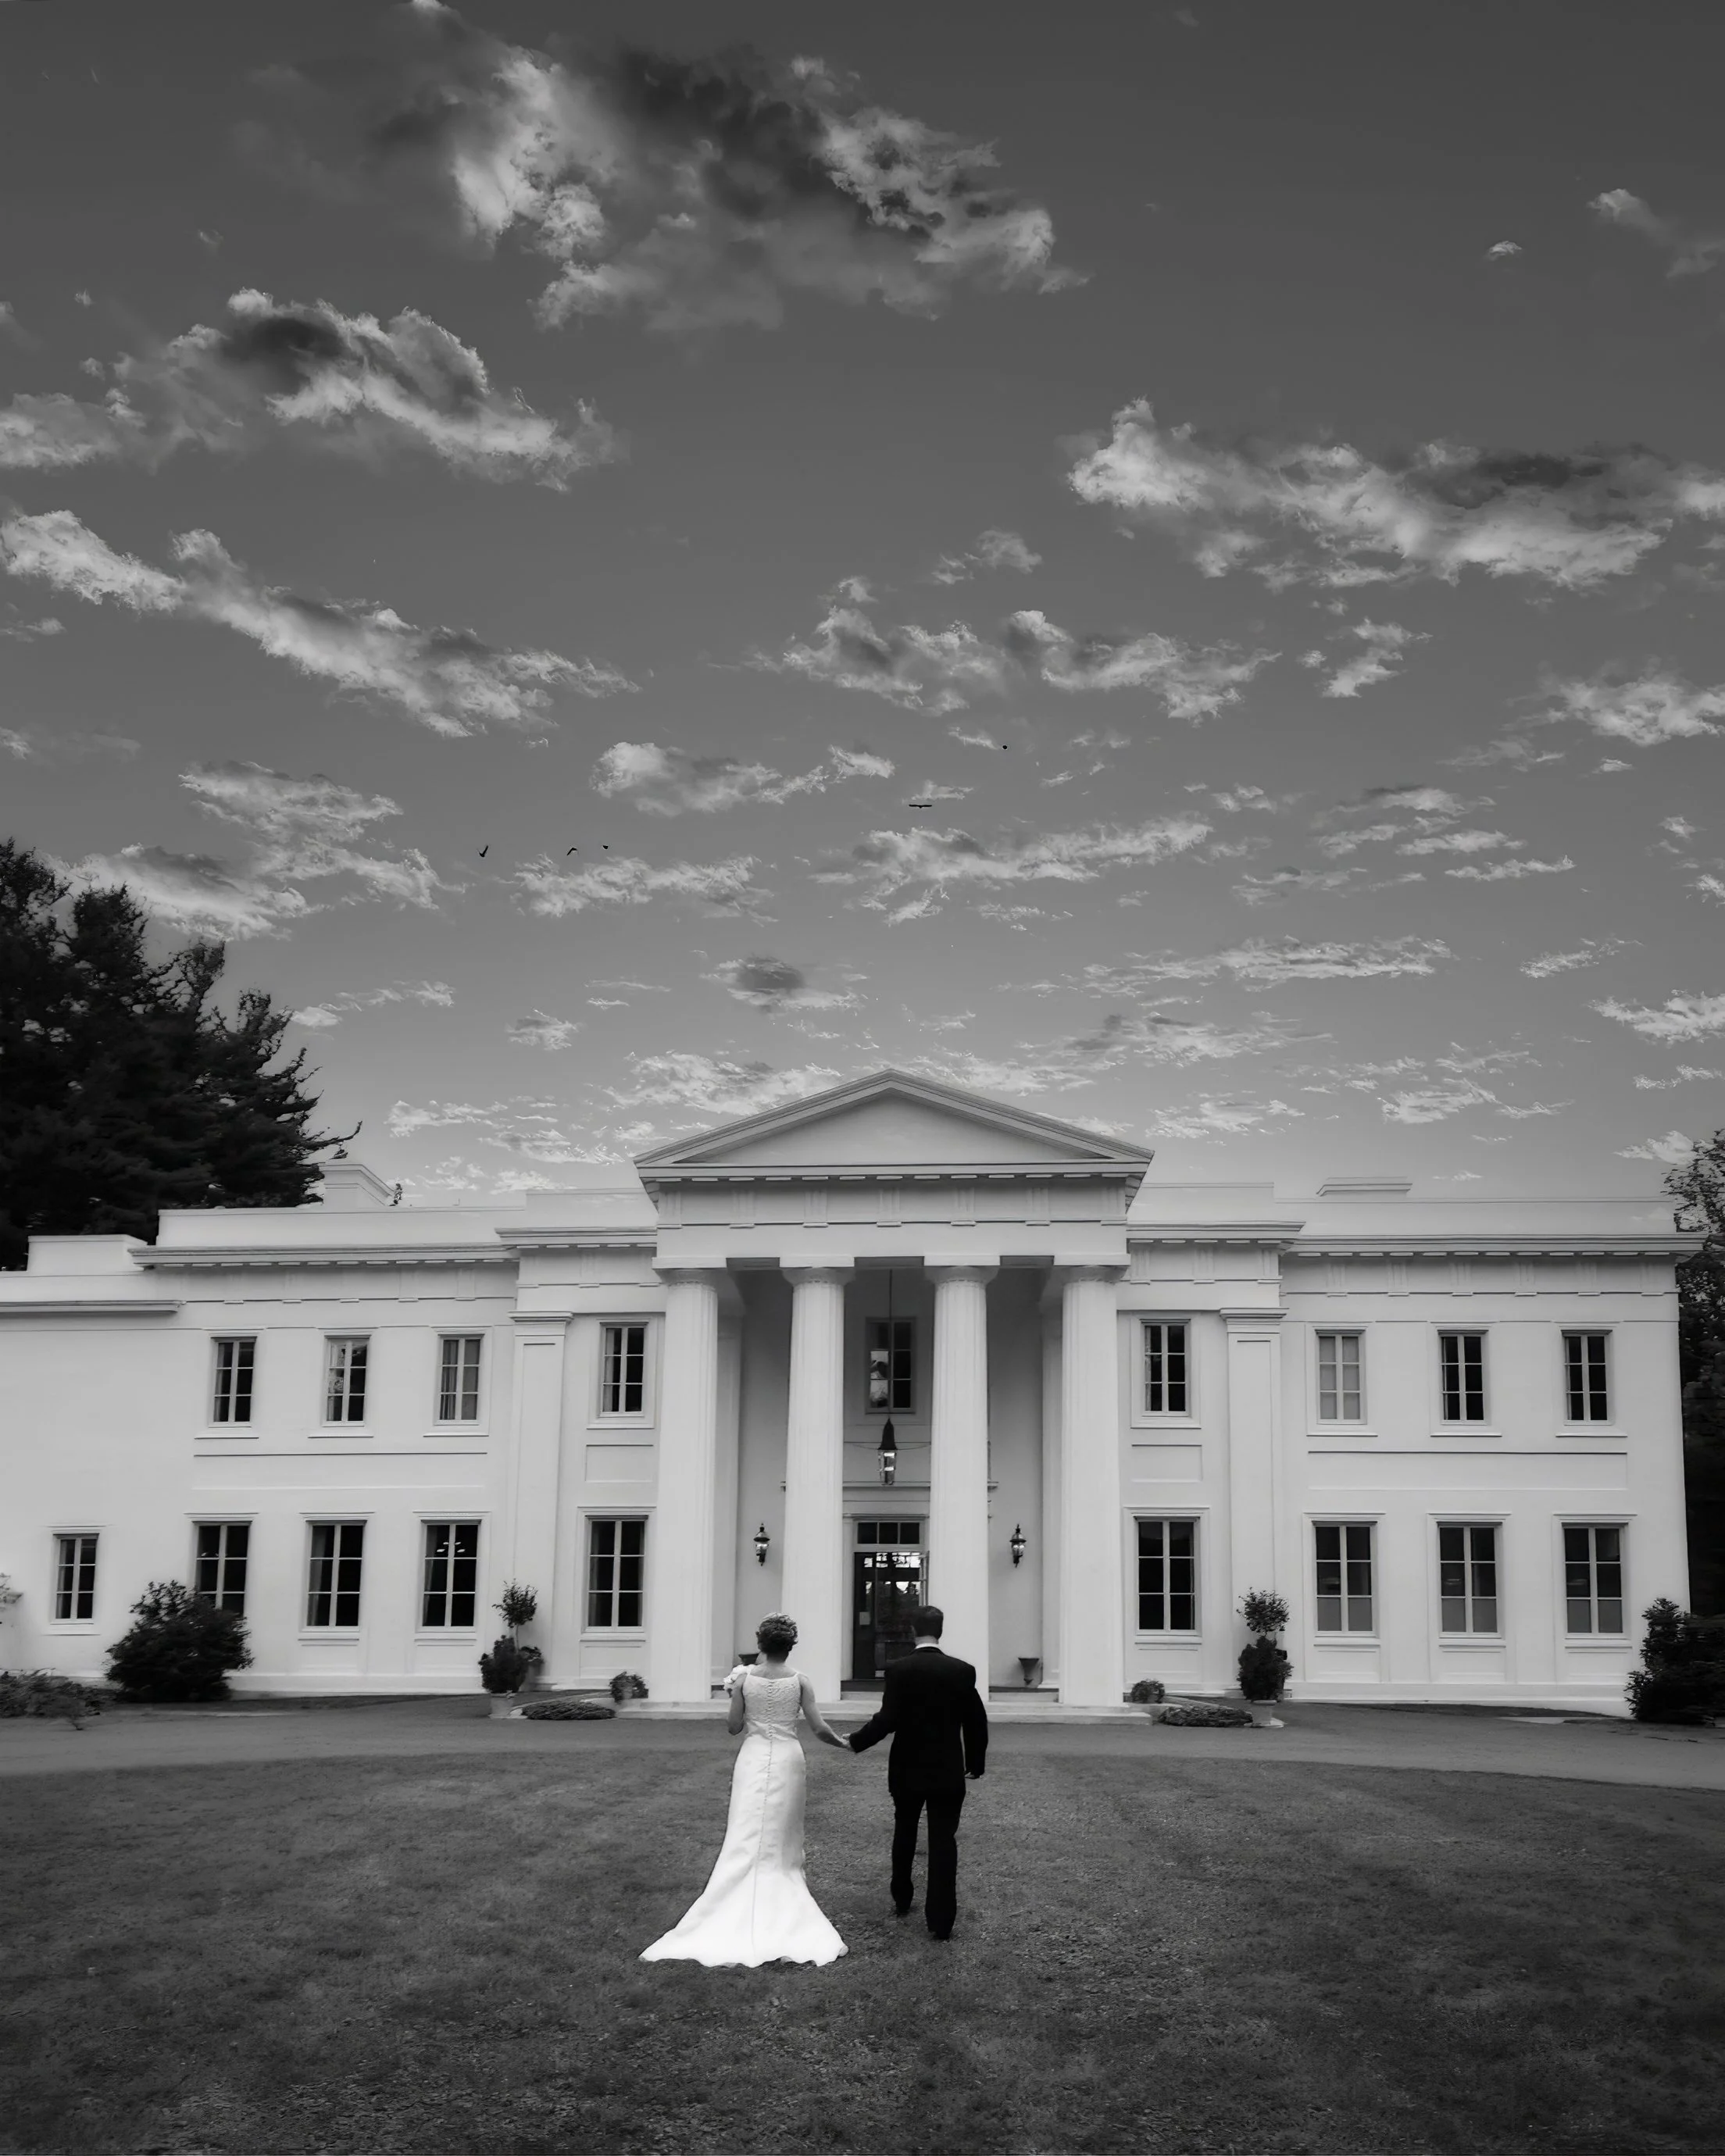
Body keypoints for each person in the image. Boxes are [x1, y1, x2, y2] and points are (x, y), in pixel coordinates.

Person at [641, 1611, 850, 1968]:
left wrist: (734, 1695)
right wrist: (845, 1743)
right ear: (791, 1647)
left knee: (746, 1828)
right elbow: (817, 1729)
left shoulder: (744, 1680)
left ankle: (732, 1894)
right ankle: (782, 1895)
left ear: (760, 1644)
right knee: (783, 1833)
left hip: (753, 1758)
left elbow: (734, 1727)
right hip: (787, 1758)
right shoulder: (801, 1682)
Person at [845, 1604, 988, 1941]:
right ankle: (941, 1920)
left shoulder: (899, 1670)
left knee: (905, 1830)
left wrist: (856, 1741)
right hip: (947, 1767)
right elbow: (975, 1719)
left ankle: (902, 1897)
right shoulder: (962, 1671)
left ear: (913, 1630)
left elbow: (888, 1719)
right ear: (941, 1630)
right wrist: (976, 1761)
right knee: (943, 1840)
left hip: (907, 1766)